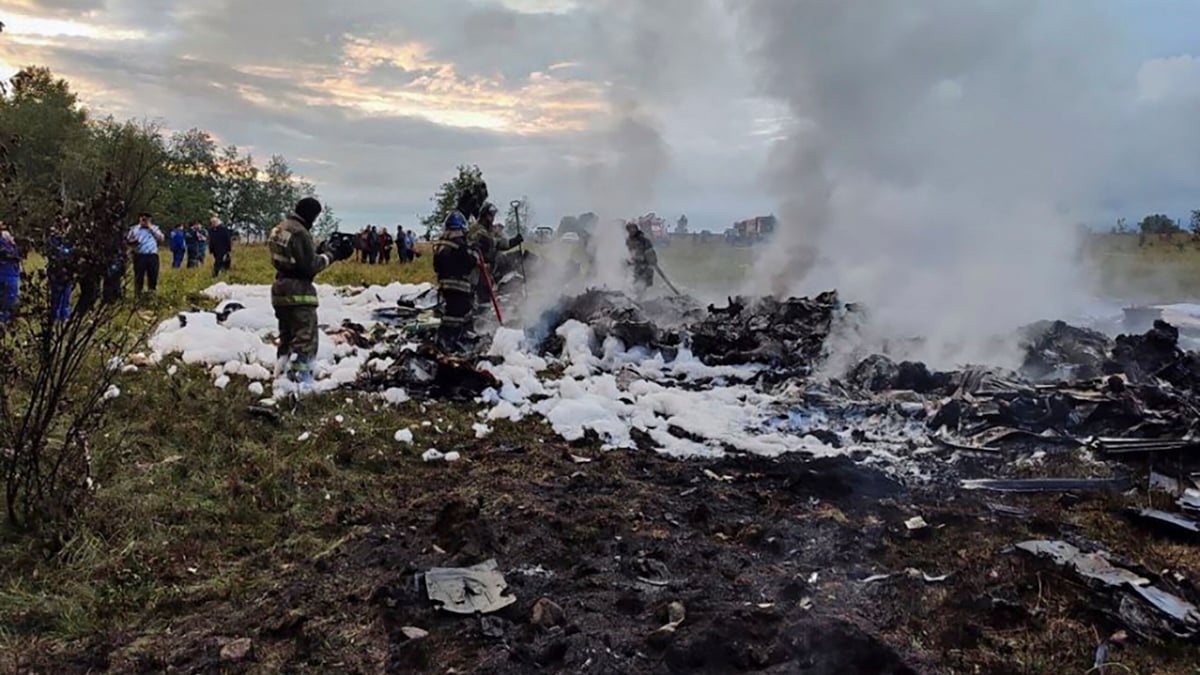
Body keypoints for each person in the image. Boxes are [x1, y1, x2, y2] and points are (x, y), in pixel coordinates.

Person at [268, 197, 348, 390]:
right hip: (299, 292)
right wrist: (331, 255)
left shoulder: (279, 228)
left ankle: (280, 374)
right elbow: (309, 266)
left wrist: (317, 250)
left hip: (280, 289)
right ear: (312, 214)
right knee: (305, 337)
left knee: (286, 335)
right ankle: (298, 380)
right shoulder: (300, 233)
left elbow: (293, 256)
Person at [433, 212, 478, 352]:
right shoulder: (460, 244)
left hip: (445, 285)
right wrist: (474, 254)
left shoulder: (440, 243)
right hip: (459, 286)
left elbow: (436, 266)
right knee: (459, 314)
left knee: (450, 313)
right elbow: (469, 263)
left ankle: (445, 338)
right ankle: (453, 340)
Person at [126, 212, 164, 297]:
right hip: (140, 255)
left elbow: (161, 239)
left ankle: (152, 294)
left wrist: (150, 228)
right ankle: (138, 295)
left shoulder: (155, 228)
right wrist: (133, 242)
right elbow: (128, 240)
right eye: (143, 219)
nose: (144, 221)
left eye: (146, 219)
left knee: (153, 276)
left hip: (152, 255)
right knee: (139, 277)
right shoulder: (134, 229)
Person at [625, 221, 657, 294]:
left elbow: (652, 257)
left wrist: (641, 259)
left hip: (644, 270)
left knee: (640, 289)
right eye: (630, 228)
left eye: (634, 228)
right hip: (631, 271)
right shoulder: (625, 242)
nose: (632, 230)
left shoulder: (645, 241)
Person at [0, 221, 20, 324]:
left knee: (8, 301)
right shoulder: (8, 245)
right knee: (8, 301)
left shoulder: (9, 243)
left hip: (10, 275)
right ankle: (4, 320)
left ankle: (4, 320)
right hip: (8, 275)